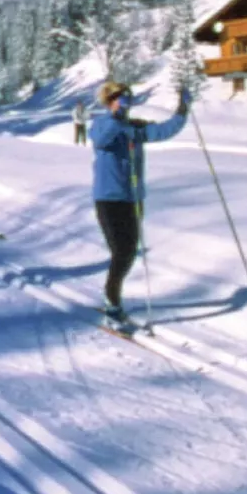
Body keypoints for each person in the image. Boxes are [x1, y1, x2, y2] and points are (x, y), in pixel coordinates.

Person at [89, 81, 189, 327]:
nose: (125, 103)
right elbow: (101, 140)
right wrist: (116, 118)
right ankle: (112, 304)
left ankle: (111, 296)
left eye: (128, 100)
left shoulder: (133, 128)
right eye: (120, 99)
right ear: (109, 101)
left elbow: (165, 130)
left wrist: (183, 109)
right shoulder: (102, 124)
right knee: (121, 251)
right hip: (108, 199)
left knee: (129, 252)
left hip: (133, 199)